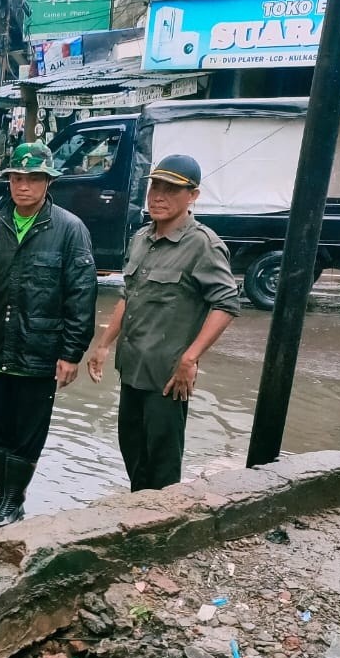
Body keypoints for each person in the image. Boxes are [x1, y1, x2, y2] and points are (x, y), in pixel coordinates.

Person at [87, 154, 240, 491]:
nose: (158, 196)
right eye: (155, 186)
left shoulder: (203, 245)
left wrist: (190, 358)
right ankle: (137, 519)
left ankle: (161, 531)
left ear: (193, 196)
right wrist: (103, 345)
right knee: (132, 452)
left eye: (171, 189)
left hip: (168, 379)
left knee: (163, 465)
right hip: (133, 369)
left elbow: (227, 303)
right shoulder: (142, 238)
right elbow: (130, 296)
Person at [0, 143, 96, 527]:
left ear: (47, 182)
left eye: (33, 179)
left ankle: (14, 502)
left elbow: (81, 297)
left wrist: (71, 353)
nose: (24, 186)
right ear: (9, 182)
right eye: (17, 178)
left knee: (27, 433)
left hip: (40, 352)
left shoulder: (70, 230)